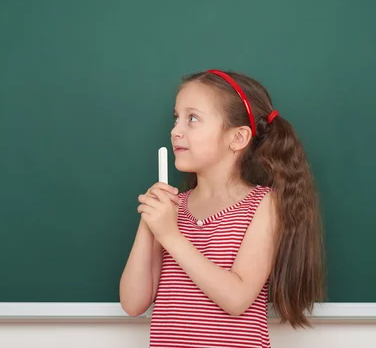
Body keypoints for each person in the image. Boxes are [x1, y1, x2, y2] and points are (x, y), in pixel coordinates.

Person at [119, 69, 325, 347]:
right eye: (176, 118)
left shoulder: (265, 204)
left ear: (238, 138)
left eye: (192, 119)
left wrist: (170, 236)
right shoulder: (171, 210)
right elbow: (133, 303)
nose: (175, 130)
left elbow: (237, 298)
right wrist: (149, 225)